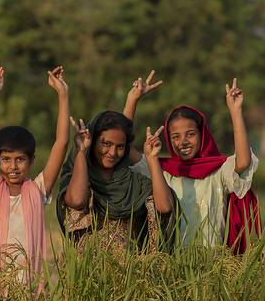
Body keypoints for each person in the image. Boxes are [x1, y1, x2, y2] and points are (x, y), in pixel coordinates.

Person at [129, 77, 260, 253]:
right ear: (168, 139)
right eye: (176, 137)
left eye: (190, 134)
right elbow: (127, 151)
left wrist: (235, 111)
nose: (183, 141)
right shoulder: (160, 170)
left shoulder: (218, 172)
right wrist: (132, 100)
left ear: (202, 135)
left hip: (211, 260)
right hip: (171, 260)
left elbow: (243, 162)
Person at [0, 65, 69, 294]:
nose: (13, 167)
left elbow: (61, 143)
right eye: (6, 159)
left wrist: (62, 94)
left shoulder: (39, 189)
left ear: (31, 160)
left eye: (20, 160)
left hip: (29, 291)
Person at [56, 107, 177, 254]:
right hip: (88, 266)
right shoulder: (79, 179)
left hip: (130, 266)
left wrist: (152, 159)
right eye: (106, 144)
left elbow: (165, 207)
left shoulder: (134, 182)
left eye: (120, 146)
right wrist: (81, 151)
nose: (112, 153)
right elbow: (77, 201)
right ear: (93, 141)